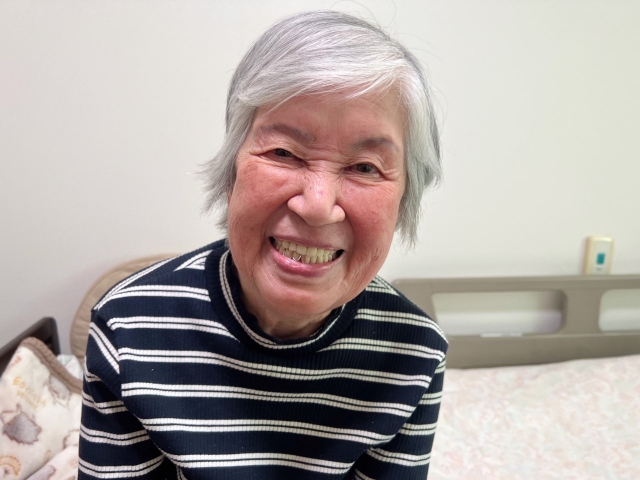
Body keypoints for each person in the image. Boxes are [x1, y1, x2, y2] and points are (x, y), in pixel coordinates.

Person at [79, 10, 447, 480]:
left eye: (365, 168)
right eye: (284, 153)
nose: (318, 206)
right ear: (231, 171)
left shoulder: (414, 354)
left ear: (403, 202)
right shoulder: (128, 327)